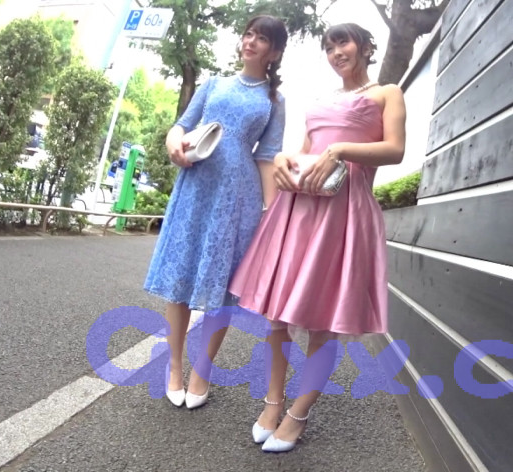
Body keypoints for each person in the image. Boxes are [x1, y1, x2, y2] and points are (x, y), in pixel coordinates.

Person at [228, 23, 407, 452]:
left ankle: (299, 413)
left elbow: (395, 149)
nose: (335, 52)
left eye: (343, 43)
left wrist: (339, 150)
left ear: (366, 47)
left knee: (324, 322)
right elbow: (306, 150)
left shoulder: (388, 93)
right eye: (329, 47)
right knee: (278, 313)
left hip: (345, 214)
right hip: (299, 208)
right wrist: (284, 158)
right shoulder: (321, 99)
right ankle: (273, 402)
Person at [143, 15, 288, 410]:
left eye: (262, 38)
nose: (251, 41)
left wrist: (271, 213)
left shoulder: (275, 101)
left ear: (275, 52)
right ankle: (174, 366)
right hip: (196, 184)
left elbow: (268, 157)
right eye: (248, 34)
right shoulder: (213, 84)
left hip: (238, 197)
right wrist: (174, 143)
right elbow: (182, 125)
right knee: (181, 271)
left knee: (222, 284)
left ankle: (201, 371)